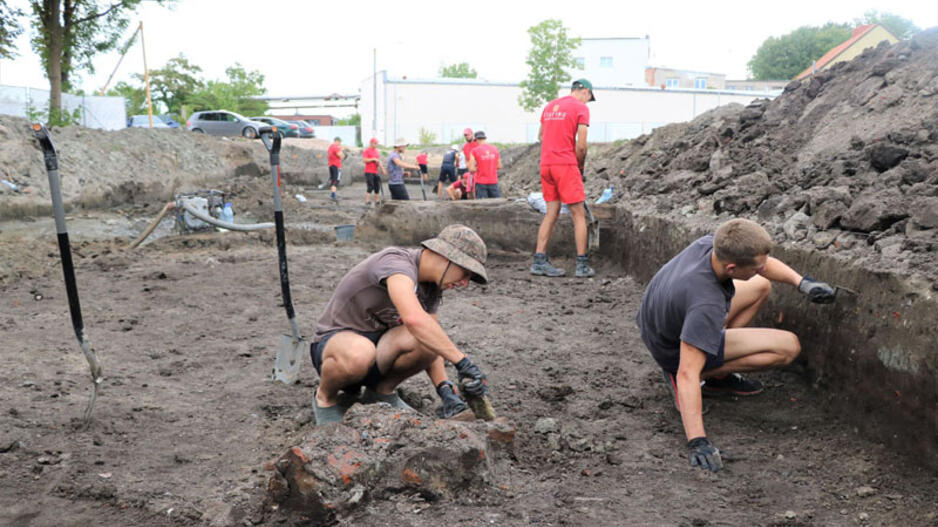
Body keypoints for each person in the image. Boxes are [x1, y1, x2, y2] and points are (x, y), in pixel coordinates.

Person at [636, 218, 837, 473]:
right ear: (731, 268)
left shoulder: (712, 245)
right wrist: (698, 441)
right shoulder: (706, 304)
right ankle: (705, 374)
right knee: (788, 347)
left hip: (661, 324)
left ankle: (714, 368)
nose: (762, 268)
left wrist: (803, 283)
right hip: (673, 350)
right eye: (756, 267)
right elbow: (688, 372)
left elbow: (761, 266)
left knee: (761, 286)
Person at [310, 224, 491, 424]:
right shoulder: (395, 263)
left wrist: (445, 390)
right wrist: (462, 362)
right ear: (446, 256)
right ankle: (325, 399)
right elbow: (414, 319)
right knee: (360, 352)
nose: (465, 283)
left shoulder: (431, 286)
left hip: (378, 354)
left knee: (428, 339)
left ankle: (381, 392)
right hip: (337, 349)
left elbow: (431, 336)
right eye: (465, 273)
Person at [530, 78, 596, 278]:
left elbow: (541, 136)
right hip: (565, 165)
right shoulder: (580, 108)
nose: (587, 101)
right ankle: (582, 264)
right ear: (584, 91)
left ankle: (539, 260)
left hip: (546, 164)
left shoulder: (550, 106)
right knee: (578, 214)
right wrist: (580, 165)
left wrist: (555, 142)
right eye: (589, 97)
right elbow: (582, 145)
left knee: (551, 212)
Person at [467, 131, 501, 199]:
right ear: (484, 139)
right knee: (496, 204)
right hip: (493, 181)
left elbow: (471, 169)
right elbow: (499, 166)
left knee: (482, 206)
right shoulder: (495, 149)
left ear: (476, 140)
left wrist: (479, 167)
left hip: (480, 182)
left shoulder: (474, 151)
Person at [361, 138, 386, 207]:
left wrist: (382, 169)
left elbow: (378, 161)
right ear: (371, 143)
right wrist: (373, 159)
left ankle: (377, 200)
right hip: (368, 171)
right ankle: (367, 200)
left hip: (375, 171)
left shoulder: (376, 151)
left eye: (377, 143)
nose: (376, 145)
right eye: (375, 143)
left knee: (377, 186)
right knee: (370, 186)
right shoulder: (366, 151)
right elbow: (364, 160)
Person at [327, 137, 346, 202]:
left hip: (331, 165)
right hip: (336, 166)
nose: (340, 143)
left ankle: (333, 194)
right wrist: (341, 150)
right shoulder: (335, 147)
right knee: (336, 180)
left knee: (333, 180)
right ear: (337, 141)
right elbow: (342, 156)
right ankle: (333, 195)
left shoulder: (330, 147)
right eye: (340, 142)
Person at [460, 128, 477, 195]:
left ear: (472, 134)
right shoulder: (465, 146)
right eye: (465, 135)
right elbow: (466, 159)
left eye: (468, 134)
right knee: (469, 190)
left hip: (478, 169)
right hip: (470, 170)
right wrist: (468, 165)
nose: (466, 136)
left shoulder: (477, 143)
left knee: (475, 189)